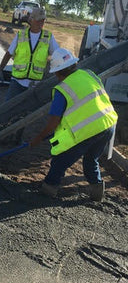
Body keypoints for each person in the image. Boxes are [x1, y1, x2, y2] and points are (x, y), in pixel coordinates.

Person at [29, 48, 118, 201]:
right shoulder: (89, 74)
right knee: (91, 159)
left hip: (89, 129)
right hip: (108, 123)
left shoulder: (62, 89)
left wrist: (38, 138)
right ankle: (97, 192)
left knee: (60, 160)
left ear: (57, 72)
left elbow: (53, 122)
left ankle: (48, 190)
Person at [0, 7, 59, 100]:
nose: (41, 23)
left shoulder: (48, 37)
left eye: (43, 20)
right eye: (38, 20)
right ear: (31, 20)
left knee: (30, 113)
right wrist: (0, 70)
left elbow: (57, 55)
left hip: (35, 84)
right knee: (9, 109)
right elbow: (9, 53)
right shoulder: (21, 35)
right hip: (17, 82)